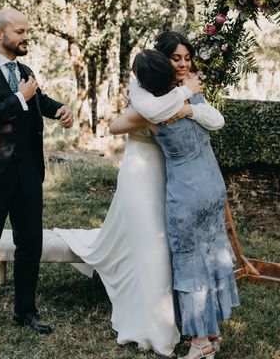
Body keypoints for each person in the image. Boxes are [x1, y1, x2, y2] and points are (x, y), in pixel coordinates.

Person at [55, 32, 222, 356]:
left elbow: (208, 118)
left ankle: (185, 322)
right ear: (162, 61)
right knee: (153, 246)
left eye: (187, 59)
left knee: (168, 244)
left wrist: (187, 100)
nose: (183, 65)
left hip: (174, 173)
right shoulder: (146, 91)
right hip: (142, 169)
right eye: (176, 59)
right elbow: (120, 124)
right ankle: (157, 325)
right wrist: (182, 96)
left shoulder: (180, 91)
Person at [111, 49, 239, 359]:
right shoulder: (192, 98)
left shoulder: (149, 112)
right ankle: (213, 331)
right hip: (214, 183)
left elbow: (115, 127)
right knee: (212, 256)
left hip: (187, 191)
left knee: (190, 264)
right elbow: (215, 119)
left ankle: (200, 343)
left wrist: (135, 98)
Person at [0, 8, 74, 339]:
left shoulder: (24, 70)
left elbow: (39, 101)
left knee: (30, 243)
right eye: (20, 31)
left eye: (27, 31)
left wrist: (59, 110)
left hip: (27, 173)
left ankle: (25, 311)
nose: (26, 37)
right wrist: (18, 97)